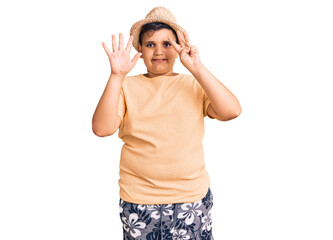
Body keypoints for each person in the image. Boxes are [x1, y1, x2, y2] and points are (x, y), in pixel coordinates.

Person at [92, 6, 241, 240]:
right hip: (139, 201)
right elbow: (102, 129)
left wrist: (198, 68)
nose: (158, 51)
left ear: (178, 47)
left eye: (167, 44)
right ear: (139, 49)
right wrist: (116, 76)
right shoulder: (124, 87)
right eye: (150, 44)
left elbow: (231, 111)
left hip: (190, 198)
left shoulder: (194, 84)